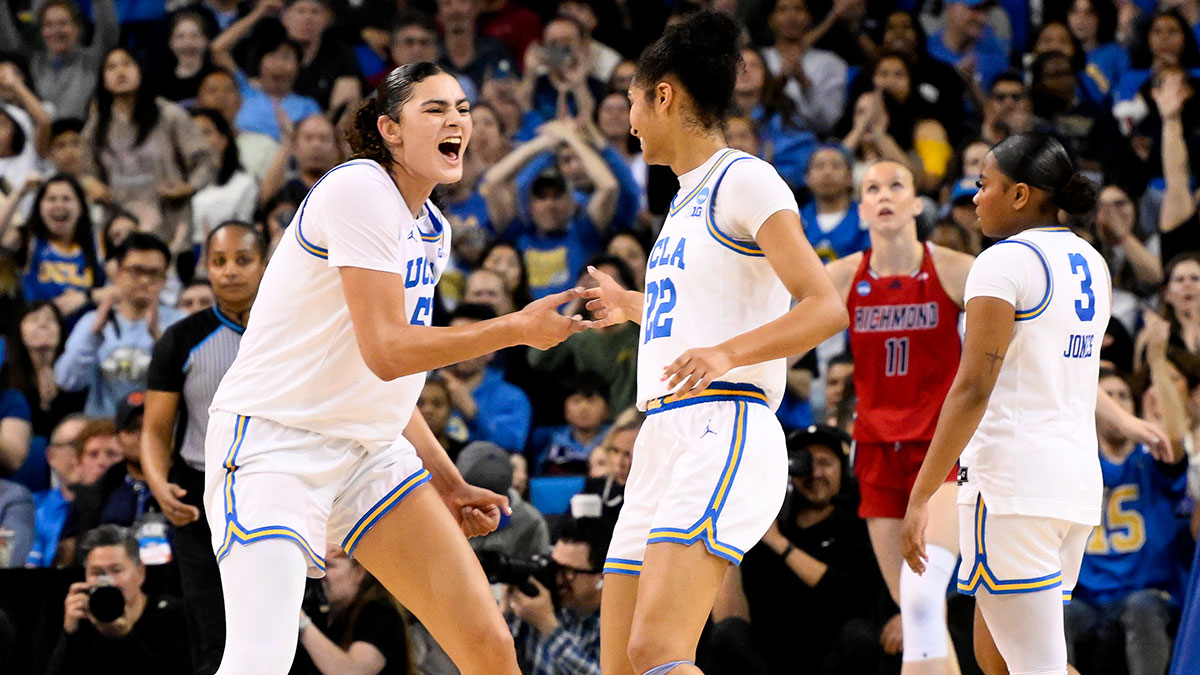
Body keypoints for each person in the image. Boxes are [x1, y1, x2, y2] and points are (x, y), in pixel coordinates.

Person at [201, 61, 588, 675]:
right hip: (274, 442)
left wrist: (447, 479)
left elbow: (389, 379)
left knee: (487, 644)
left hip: (368, 451)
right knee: (261, 660)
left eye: (462, 108)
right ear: (391, 131)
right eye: (434, 109)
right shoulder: (358, 188)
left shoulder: (432, 229)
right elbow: (387, 349)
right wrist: (514, 328)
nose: (455, 120)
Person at [582, 12, 847, 675]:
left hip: (723, 423)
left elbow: (825, 306)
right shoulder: (682, 201)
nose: (630, 120)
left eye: (633, 101)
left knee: (658, 649)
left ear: (663, 94)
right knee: (619, 663)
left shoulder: (745, 180)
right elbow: (702, 316)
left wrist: (728, 355)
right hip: (663, 434)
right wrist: (632, 306)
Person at [901, 132, 1164, 675]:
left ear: (1020, 195)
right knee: (995, 659)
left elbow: (973, 386)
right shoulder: (1092, 261)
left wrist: (922, 493)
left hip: (1012, 488)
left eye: (983, 184)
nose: (974, 197)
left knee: (1033, 668)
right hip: (1070, 487)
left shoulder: (1003, 263)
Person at [823, 159, 975, 673]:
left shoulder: (955, 269)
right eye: (872, 188)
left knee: (923, 600)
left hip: (943, 453)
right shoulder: (842, 276)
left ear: (915, 203)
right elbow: (759, 313)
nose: (884, 195)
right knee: (917, 614)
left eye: (896, 185)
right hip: (876, 453)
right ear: (861, 208)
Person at [140, 222, 267, 675]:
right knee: (212, 632)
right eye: (219, 261)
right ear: (205, 269)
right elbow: (155, 431)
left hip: (273, 490)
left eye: (242, 259)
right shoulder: (180, 340)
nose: (230, 271)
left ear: (265, 264)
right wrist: (159, 484)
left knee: (273, 629)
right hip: (199, 497)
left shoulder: (290, 333)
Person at [710, 424, 891, 675]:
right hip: (772, 660)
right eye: (804, 462)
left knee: (859, 635)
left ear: (845, 472)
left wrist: (780, 544)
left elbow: (853, 597)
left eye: (825, 462)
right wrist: (729, 538)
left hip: (833, 657)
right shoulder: (765, 525)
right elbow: (730, 617)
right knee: (727, 633)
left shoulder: (857, 525)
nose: (814, 473)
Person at [1065, 368, 1189, 675]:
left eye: (1124, 396)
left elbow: (1175, 439)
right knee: (1057, 614)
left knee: (1142, 608)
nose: (1117, 403)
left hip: (1145, 595)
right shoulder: (1074, 465)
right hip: (1087, 599)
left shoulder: (1151, 461)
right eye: (1108, 396)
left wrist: (1157, 359)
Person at [55, 233, 185, 418]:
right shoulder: (93, 321)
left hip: (158, 432)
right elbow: (67, 381)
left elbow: (190, 385)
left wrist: (159, 338)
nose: (145, 280)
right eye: (136, 271)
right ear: (117, 273)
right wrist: (93, 336)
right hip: (103, 432)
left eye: (154, 273)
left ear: (165, 279)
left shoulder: (180, 322)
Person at [47, 524, 191, 674]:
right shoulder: (82, 617)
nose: (107, 580)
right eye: (97, 573)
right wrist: (69, 635)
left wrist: (125, 636)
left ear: (140, 572)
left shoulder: (173, 615)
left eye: (116, 570)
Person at [508, 516, 612, 675]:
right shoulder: (541, 597)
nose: (557, 578)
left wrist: (548, 627)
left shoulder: (614, 621)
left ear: (601, 576)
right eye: (554, 566)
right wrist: (505, 610)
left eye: (568, 572)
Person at [295, 546, 411, 675]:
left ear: (359, 572)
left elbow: (353, 671)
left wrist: (302, 622)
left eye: (329, 565)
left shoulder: (384, 617)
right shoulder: (326, 614)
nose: (321, 574)